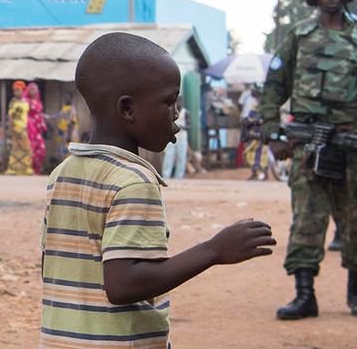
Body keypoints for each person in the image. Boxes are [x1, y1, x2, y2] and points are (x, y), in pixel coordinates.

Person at [40, 32, 276, 348]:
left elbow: (52, 266)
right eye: (168, 101)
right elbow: (123, 285)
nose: (176, 112)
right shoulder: (134, 182)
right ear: (127, 109)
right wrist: (213, 250)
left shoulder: (62, 174)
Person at [260, 0, 357, 320]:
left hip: (354, 143)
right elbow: (273, 87)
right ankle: (305, 296)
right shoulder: (299, 36)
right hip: (309, 146)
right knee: (307, 220)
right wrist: (272, 134)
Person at [5, 81, 33, 175]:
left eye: (18, 90)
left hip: (23, 128)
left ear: (23, 91)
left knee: (25, 148)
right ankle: (12, 169)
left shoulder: (25, 102)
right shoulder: (13, 102)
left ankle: (24, 169)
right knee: (15, 149)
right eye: (15, 90)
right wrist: (10, 129)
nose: (16, 92)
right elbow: (10, 116)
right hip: (15, 128)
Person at [25, 82, 48, 174]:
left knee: (41, 150)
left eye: (35, 89)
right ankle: (29, 169)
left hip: (38, 130)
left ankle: (36, 169)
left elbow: (39, 113)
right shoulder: (25, 101)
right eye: (31, 89)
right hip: (29, 128)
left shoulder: (38, 101)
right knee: (31, 148)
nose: (33, 91)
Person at [161, 107, 190, 179]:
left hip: (182, 137)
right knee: (168, 156)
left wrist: (181, 127)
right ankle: (166, 177)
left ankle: (179, 177)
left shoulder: (185, 112)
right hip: (171, 136)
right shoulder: (170, 110)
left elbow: (189, 125)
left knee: (181, 157)